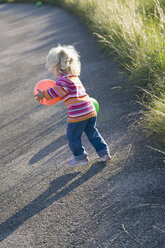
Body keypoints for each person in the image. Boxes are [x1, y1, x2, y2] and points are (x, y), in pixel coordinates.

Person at [35, 45, 111, 167]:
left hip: (78, 114)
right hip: (90, 110)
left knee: (72, 136)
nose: (51, 70)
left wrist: (43, 94)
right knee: (92, 132)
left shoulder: (62, 80)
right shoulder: (74, 77)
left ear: (56, 67)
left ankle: (80, 157)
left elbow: (57, 91)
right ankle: (104, 153)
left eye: (51, 67)